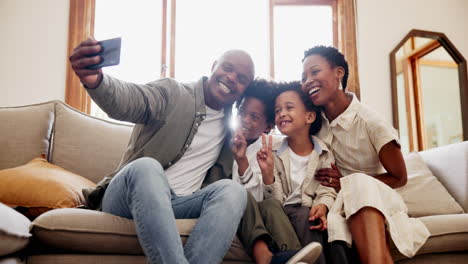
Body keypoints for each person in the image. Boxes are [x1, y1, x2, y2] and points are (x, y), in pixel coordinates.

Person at [69, 38, 254, 264]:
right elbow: (130, 100)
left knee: (233, 191)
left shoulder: (230, 135)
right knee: (148, 166)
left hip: (178, 204)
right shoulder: (172, 93)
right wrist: (97, 81)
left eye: (242, 79)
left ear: (244, 90)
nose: (232, 77)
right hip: (128, 196)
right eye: (227, 67)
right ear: (214, 65)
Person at [300, 45, 430, 264]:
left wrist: (346, 183)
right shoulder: (314, 122)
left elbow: (400, 177)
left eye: (314, 72)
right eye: (303, 77)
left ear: (338, 73)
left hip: (375, 197)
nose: (308, 81)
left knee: (359, 183)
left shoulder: (371, 122)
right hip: (337, 201)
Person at [231, 79, 322, 264]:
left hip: (267, 211)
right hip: (243, 211)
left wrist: (251, 166)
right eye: (242, 112)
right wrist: (240, 159)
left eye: (254, 117)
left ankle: (289, 256)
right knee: (236, 194)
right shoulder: (230, 143)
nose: (245, 120)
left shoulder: (273, 149)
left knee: (268, 204)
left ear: (268, 126)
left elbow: (261, 199)